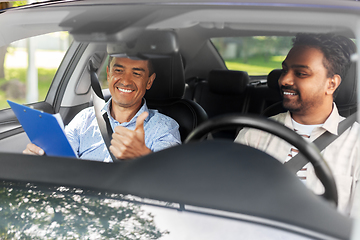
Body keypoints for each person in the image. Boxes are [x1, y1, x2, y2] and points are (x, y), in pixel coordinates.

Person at [235, 33, 359, 215]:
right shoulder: (253, 135)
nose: (283, 80)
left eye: (301, 73)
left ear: (331, 84)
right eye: (284, 70)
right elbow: (231, 199)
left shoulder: (356, 144)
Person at [23, 54, 181, 162]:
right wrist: (42, 158)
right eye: (118, 71)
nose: (125, 81)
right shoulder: (84, 119)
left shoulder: (164, 128)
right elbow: (62, 160)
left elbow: (170, 180)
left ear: (149, 81)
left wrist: (142, 156)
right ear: (109, 73)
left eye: (136, 73)